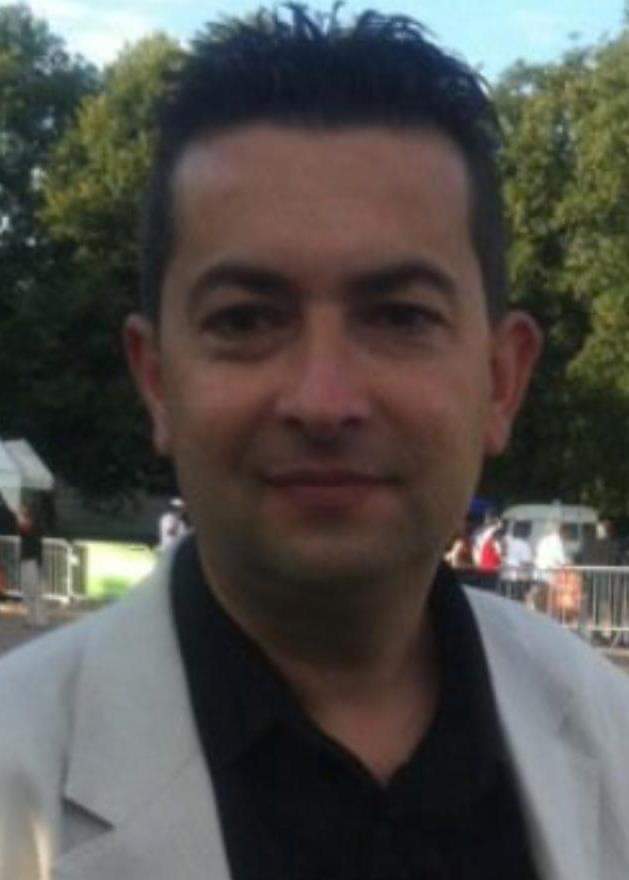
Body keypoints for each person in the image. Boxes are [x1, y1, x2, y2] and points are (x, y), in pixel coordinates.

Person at [0, 8, 628, 878]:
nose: (323, 401)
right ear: (157, 379)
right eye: (245, 320)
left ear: (500, 380)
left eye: (399, 317)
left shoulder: (609, 736)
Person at [16, 500, 48, 627]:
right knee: (28, 591)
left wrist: (21, 517)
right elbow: (23, 529)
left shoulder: (34, 526)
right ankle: (31, 619)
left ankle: (39, 620)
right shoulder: (28, 525)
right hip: (27, 560)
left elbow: (25, 529)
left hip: (32, 561)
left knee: (34, 591)